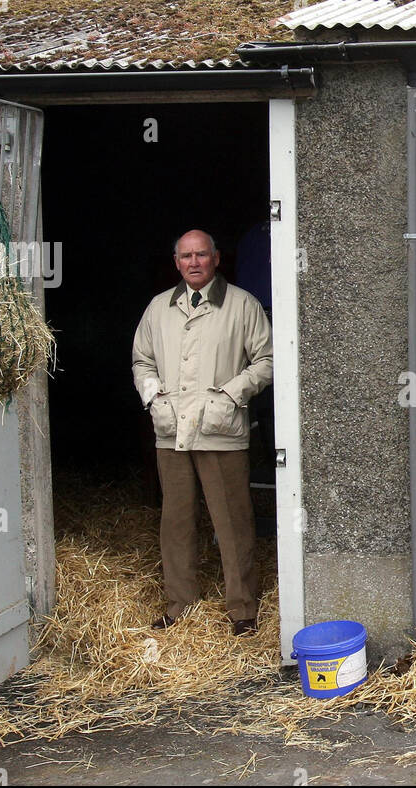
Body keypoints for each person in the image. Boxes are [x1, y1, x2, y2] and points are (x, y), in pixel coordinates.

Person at [131, 229, 273, 635]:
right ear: (176, 262)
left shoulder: (242, 305)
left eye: (202, 255)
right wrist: (154, 396)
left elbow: (266, 359)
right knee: (175, 521)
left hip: (219, 429)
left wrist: (230, 395)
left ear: (216, 258)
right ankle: (180, 604)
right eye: (186, 256)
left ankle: (242, 609)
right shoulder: (158, 308)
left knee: (232, 521)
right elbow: (142, 360)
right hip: (171, 429)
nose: (194, 262)